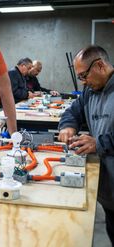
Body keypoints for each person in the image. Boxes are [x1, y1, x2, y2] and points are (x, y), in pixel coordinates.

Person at [58, 45, 114, 244]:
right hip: (108, 188)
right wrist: (67, 127)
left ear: (99, 66)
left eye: (84, 76)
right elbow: (73, 112)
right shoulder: (90, 92)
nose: (83, 82)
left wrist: (98, 142)